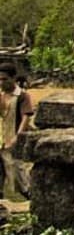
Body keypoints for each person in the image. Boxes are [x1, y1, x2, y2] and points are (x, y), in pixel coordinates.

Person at [0, 61, 33, 199]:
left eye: (5, 79)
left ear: (13, 78)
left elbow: (26, 118)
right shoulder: (1, 95)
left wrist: (17, 137)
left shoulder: (22, 96)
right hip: (1, 137)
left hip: (13, 138)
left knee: (17, 171)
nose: (2, 82)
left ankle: (31, 196)